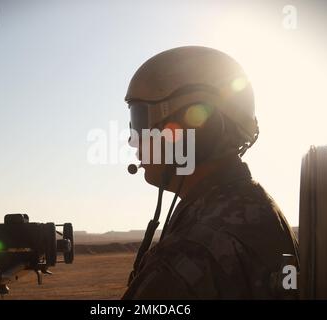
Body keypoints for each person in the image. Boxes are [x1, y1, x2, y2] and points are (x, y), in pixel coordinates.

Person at [122, 46, 299, 299]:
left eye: (140, 119)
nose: (132, 139)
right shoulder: (256, 208)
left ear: (196, 127)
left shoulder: (192, 254)